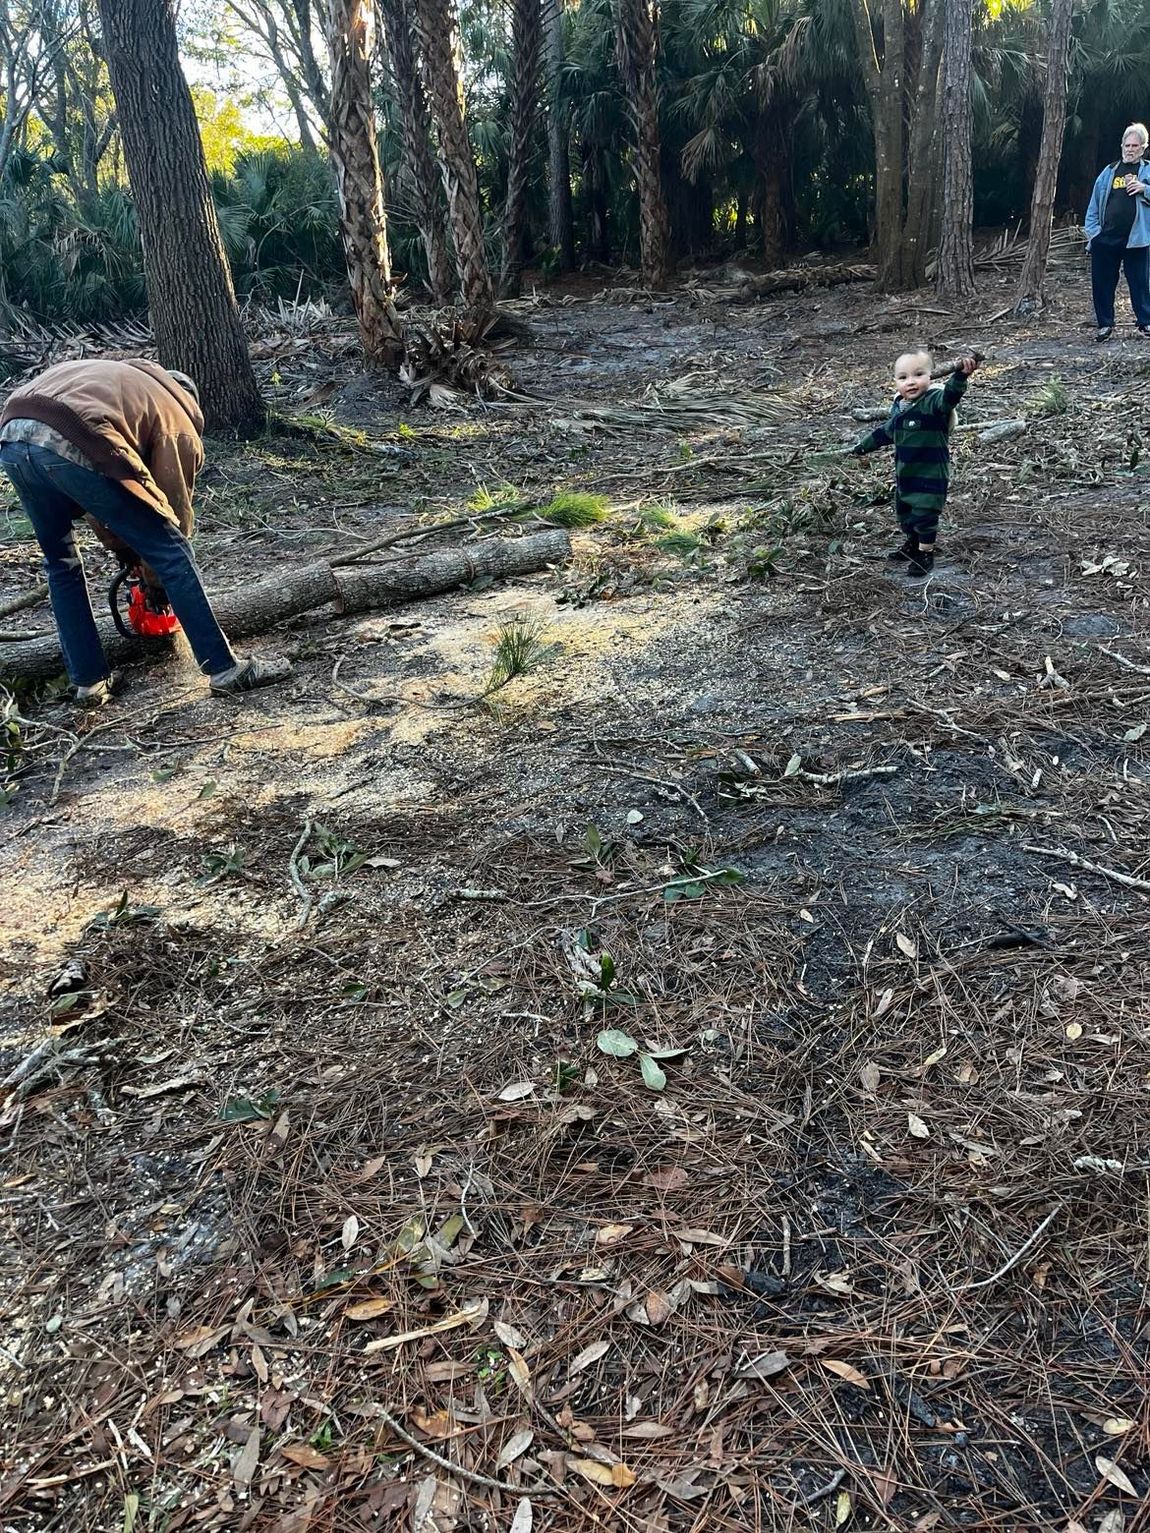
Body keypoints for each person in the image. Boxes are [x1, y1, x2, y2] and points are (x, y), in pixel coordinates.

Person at [0, 358, 290, 706]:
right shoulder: (176, 416)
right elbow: (172, 516)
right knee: (172, 551)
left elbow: (98, 497)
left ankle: (89, 684)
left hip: (13, 434)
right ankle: (224, 670)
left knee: (61, 564)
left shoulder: (121, 386)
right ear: (191, 402)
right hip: (72, 437)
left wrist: (126, 553)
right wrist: (155, 579)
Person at [848, 350, 979, 579]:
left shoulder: (934, 403)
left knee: (925, 515)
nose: (911, 382)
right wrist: (862, 447)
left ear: (930, 377)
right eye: (903, 377)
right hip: (906, 475)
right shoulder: (899, 409)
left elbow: (951, 396)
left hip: (930, 474)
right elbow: (885, 433)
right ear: (896, 382)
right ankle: (912, 543)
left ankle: (925, 553)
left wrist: (960, 377)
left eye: (918, 374)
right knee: (906, 514)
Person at [1083, 123, 1150, 342]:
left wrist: (1145, 189)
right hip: (1106, 238)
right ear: (1121, 146)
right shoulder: (1109, 171)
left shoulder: (1147, 171)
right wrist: (1094, 234)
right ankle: (1105, 324)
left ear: (1143, 148)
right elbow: (1093, 205)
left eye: (1135, 145)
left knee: (1140, 282)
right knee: (1102, 283)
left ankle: (1145, 322)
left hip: (1137, 238)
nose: (1130, 149)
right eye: (1127, 145)